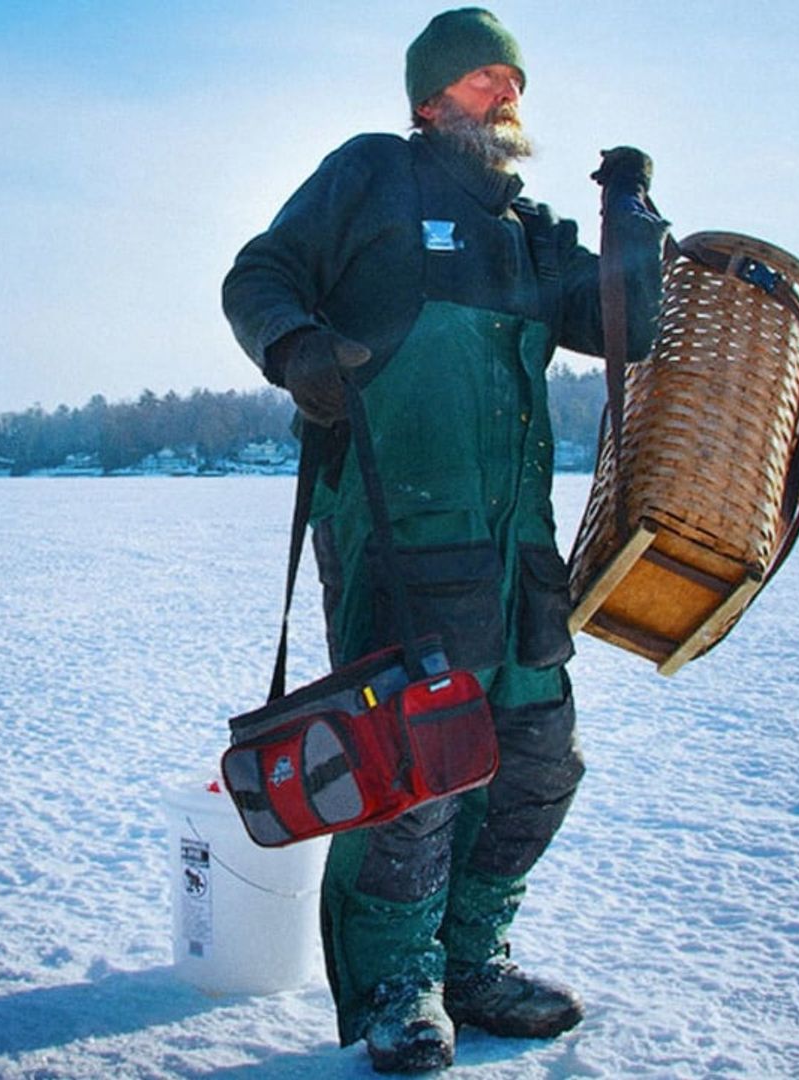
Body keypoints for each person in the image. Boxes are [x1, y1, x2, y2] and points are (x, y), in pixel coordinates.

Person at [221, 8, 667, 1073]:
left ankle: (469, 959)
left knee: (538, 763)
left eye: (513, 79)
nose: (504, 94)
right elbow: (258, 273)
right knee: (416, 771)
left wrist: (631, 213)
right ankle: (397, 985)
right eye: (480, 80)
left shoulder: (527, 232)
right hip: (395, 529)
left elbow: (627, 327)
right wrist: (295, 347)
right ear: (429, 100)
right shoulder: (374, 174)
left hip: (516, 551)